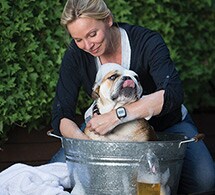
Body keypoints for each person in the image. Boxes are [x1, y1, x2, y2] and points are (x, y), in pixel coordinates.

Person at [51, 0, 215, 193]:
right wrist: (88, 147)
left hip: (167, 126)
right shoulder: (76, 54)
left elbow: (173, 93)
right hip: (103, 132)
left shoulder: (147, 41)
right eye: (78, 39)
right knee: (56, 174)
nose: (87, 45)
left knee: (205, 180)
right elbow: (61, 114)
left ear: (108, 20)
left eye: (92, 34)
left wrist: (117, 115)